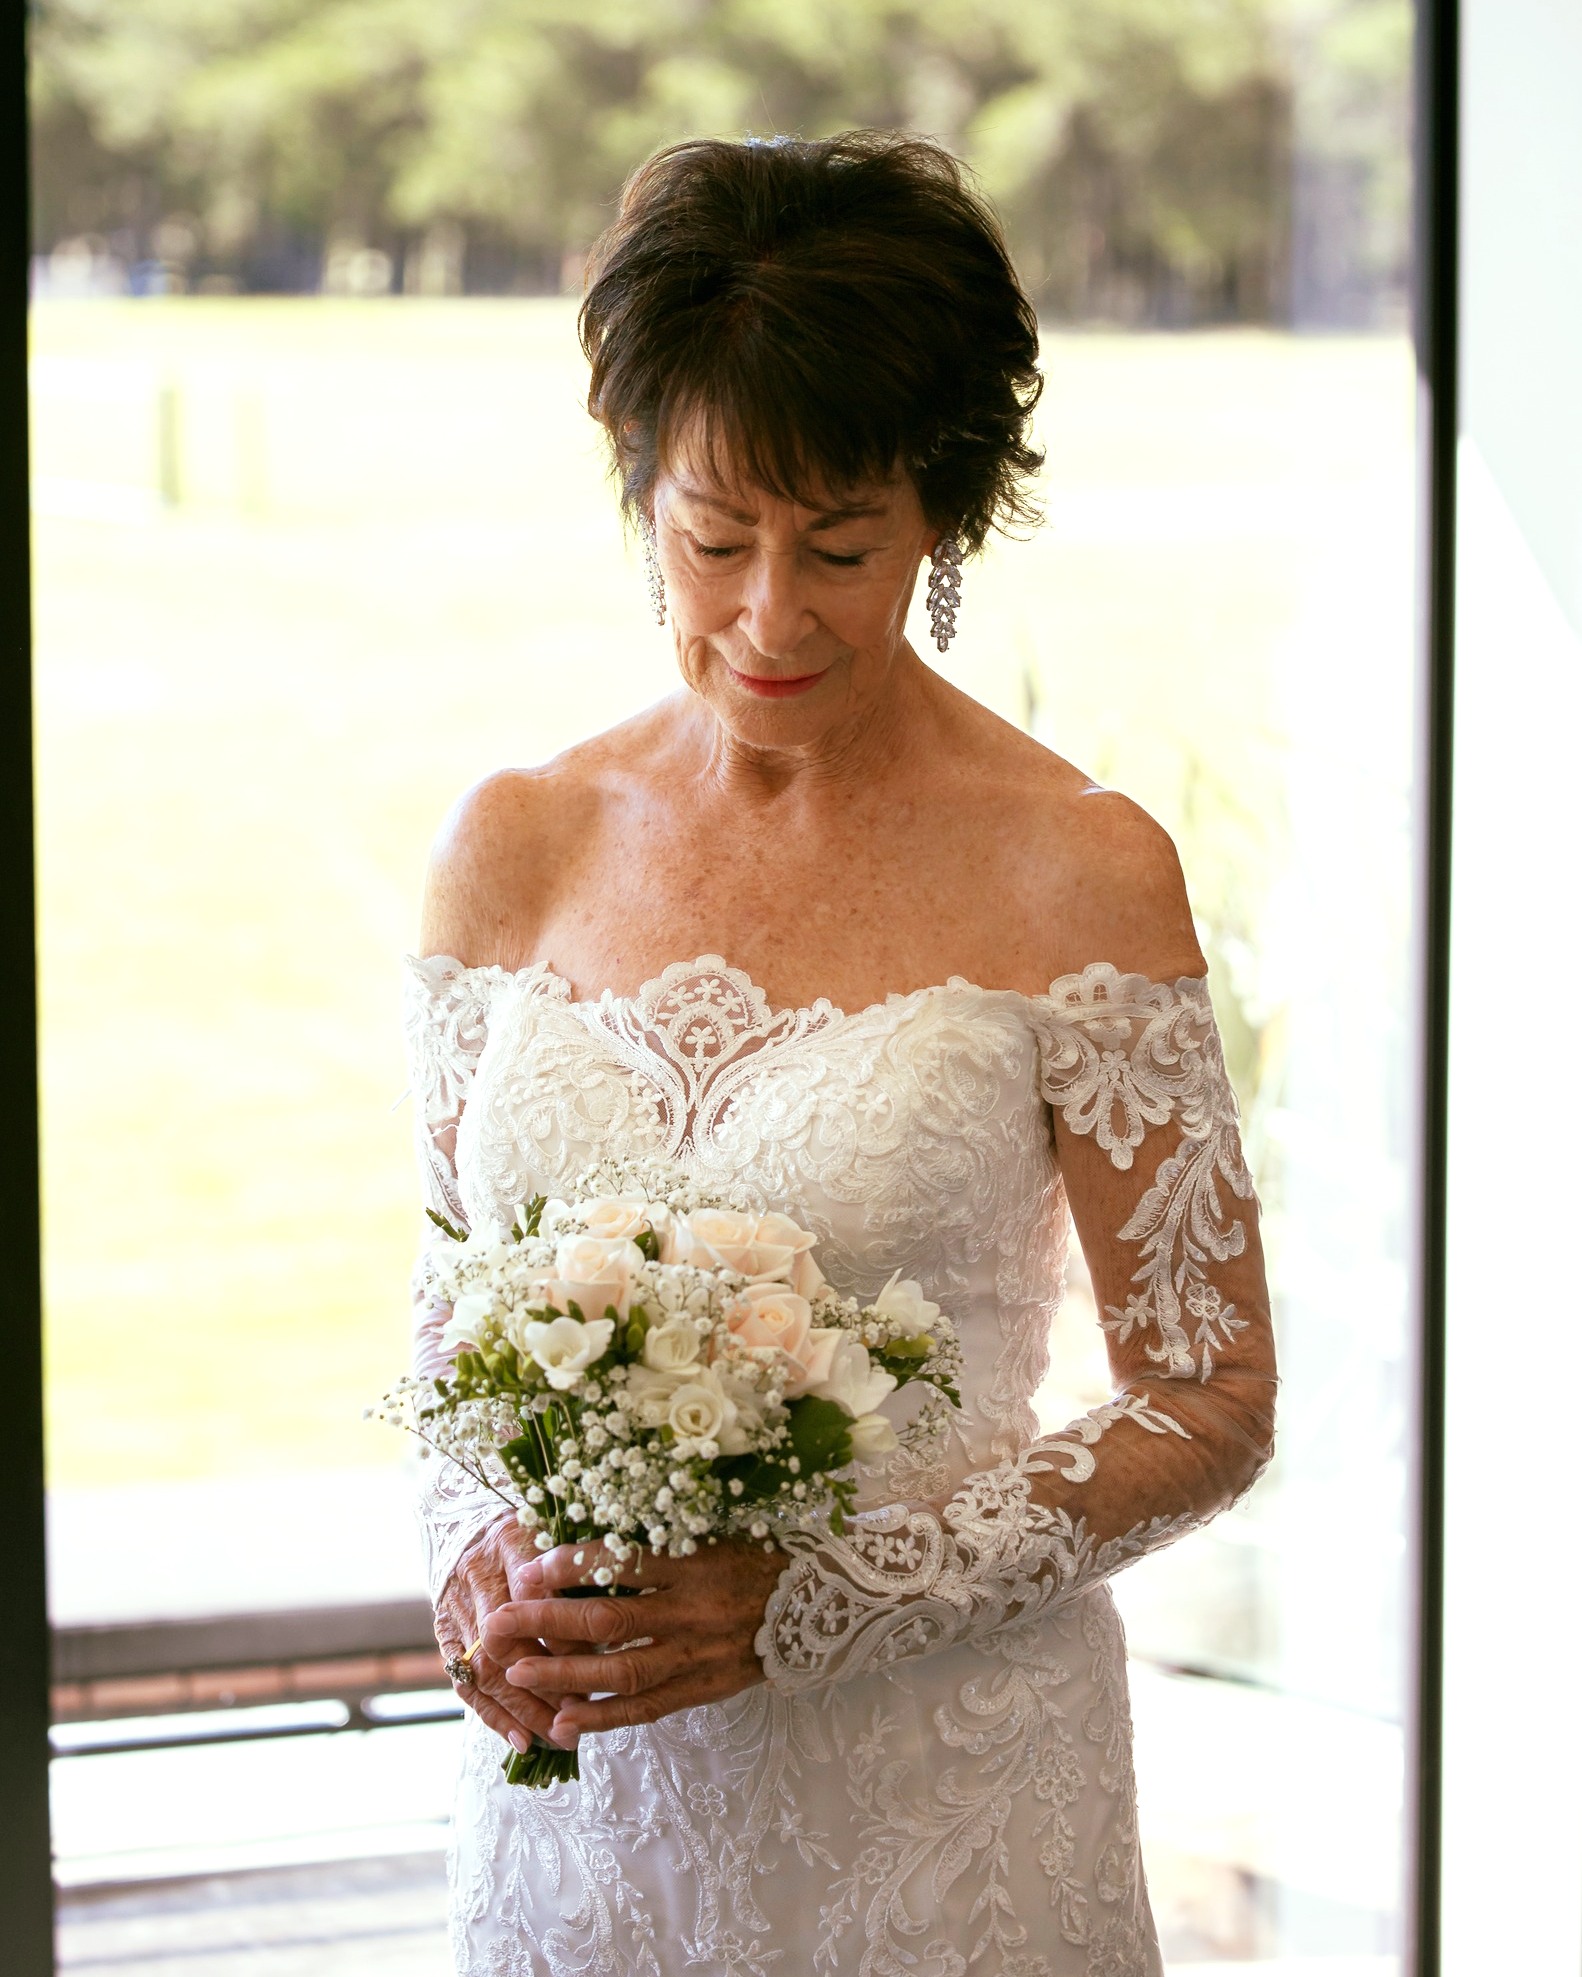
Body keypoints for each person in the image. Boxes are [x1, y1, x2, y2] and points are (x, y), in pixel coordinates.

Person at [403, 130, 1277, 1977]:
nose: (771, 614)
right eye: (714, 538)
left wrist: (817, 1599)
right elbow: (449, 1300)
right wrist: (476, 1550)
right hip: (588, 1821)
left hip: (944, 1819)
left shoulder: (1079, 865)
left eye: (843, 545)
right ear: (638, 486)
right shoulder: (513, 841)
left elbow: (1204, 1394)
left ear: (940, 518)